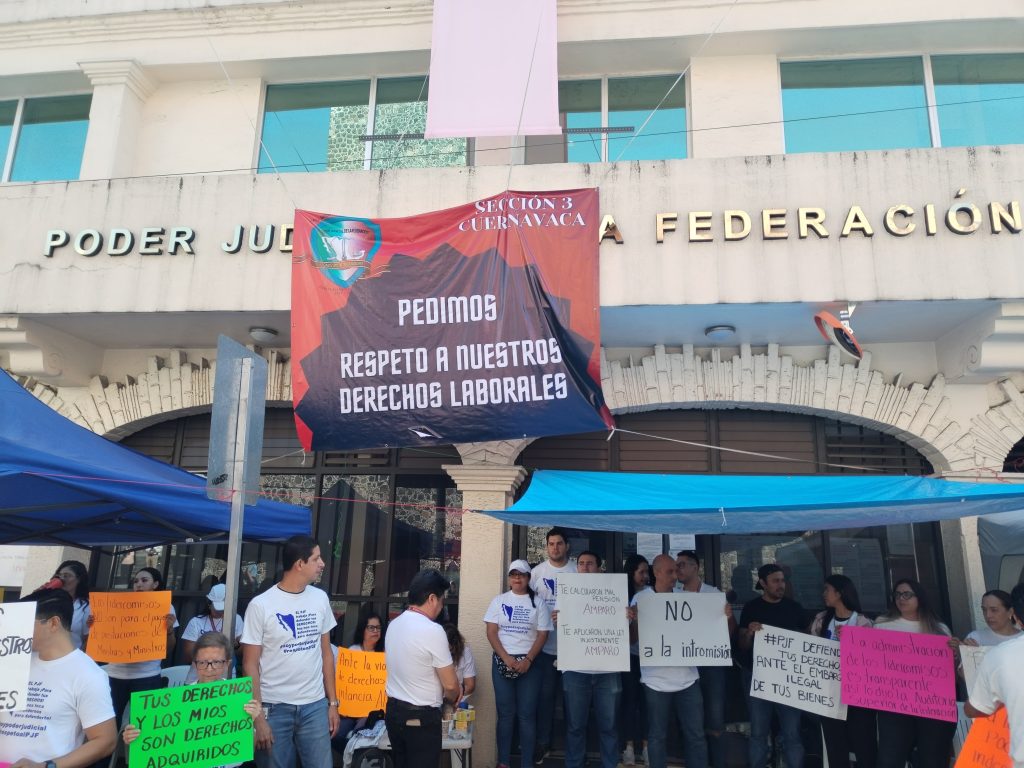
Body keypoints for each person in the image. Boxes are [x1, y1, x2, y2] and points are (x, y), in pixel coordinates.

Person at [241, 534, 340, 768]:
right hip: (274, 708)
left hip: (315, 705)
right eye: (316, 558)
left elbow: (326, 653)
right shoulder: (260, 605)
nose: (322, 564)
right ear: (299, 564)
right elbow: (249, 664)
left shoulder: (320, 598)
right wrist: (259, 717)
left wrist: (333, 704)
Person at [0, 588, 117, 768]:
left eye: (24, 622)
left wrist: (48, 766)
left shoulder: (87, 674)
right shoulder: (13, 659)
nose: (17, 629)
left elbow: (105, 740)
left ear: (54, 623)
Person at [122, 631, 260, 763]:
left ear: (227, 664)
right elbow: (159, 747)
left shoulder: (237, 700)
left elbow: (248, 751)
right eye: (202, 662)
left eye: (217, 662)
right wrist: (134, 737)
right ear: (194, 663)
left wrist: (250, 721)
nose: (209, 669)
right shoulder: (177, 703)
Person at [628, 554, 707, 768]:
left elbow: (702, 633)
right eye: (670, 571)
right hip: (655, 680)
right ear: (656, 573)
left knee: (696, 736)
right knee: (656, 736)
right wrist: (632, 622)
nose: (675, 575)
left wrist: (724, 616)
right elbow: (632, 641)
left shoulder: (687, 598)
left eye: (676, 570)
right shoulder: (641, 599)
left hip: (688, 679)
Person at [874, 579, 956, 768]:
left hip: (931, 707)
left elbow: (947, 673)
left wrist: (955, 653)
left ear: (920, 598)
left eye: (907, 594)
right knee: (889, 758)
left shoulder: (939, 629)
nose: (901, 599)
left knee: (931, 758)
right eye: (897, 595)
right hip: (893, 705)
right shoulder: (882, 625)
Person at [385, 569, 460, 768]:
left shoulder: (394, 624)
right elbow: (451, 685)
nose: (442, 607)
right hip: (421, 720)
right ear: (432, 599)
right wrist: (449, 701)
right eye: (442, 601)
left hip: (393, 713)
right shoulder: (433, 630)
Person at [737, 563, 807, 768]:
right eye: (776, 581)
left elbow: (808, 639)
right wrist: (749, 633)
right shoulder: (752, 608)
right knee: (758, 731)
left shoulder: (794, 608)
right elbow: (742, 645)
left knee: (792, 733)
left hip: (787, 679)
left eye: (783, 580)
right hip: (757, 676)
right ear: (762, 583)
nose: (781, 585)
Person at [486, 559, 553, 768]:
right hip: (502, 661)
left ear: (528, 578)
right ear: (508, 578)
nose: (517, 578)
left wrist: (528, 660)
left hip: (530, 663)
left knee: (527, 714)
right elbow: (491, 631)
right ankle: (503, 762)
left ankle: (527, 763)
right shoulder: (498, 601)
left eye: (522, 574)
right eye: (513, 574)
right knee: (505, 714)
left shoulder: (539, 603)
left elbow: (542, 635)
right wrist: (506, 658)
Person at [561, 551, 621, 768]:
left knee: (609, 726)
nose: (585, 568)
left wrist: (627, 618)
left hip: (607, 670)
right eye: (581, 564)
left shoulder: (614, 592)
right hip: (576, 670)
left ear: (599, 568)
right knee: (575, 726)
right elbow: (563, 629)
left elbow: (622, 629)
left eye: (590, 564)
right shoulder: (566, 593)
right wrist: (559, 619)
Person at [809, 575, 876, 768]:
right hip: (830, 694)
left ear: (839, 593)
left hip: (859, 696)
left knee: (865, 745)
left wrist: (852, 640)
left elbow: (873, 660)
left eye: (827, 590)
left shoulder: (864, 623)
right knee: (835, 746)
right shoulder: (821, 620)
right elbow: (809, 649)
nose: (824, 594)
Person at [675, 550, 734, 768]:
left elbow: (730, 634)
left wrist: (728, 618)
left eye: (682, 564)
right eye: (676, 565)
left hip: (712, 665)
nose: (678, 569)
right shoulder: (673, 594)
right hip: (684, 665)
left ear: (695, 567)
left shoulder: (713, 594)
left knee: (715, 719)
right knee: (690, 721)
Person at [100, 567, 178, 722]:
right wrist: (96, 625)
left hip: (147, 676)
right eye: (135, 581)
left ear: (155, 584)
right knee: (109, 724)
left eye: (144, 580)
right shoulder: (118, 605)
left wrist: (168, 631)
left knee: (142, 727)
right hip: (114, 674)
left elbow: (168, 650)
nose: (139, 585)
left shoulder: (166, 608)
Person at [965, 582, 1024, 768]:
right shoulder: (979, 639)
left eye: (994, 609)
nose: (988, 615)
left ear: (1013, 615)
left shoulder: (1000, 655)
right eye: (984, 610)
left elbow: (974, 708)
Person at [530, 527, 575, 764]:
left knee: (572, 702)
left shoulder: (578, 570)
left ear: (567, 546)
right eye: (551, 544)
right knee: (545, 699)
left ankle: (572, 748)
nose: (555, 548)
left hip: (573, 649)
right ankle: (543, 744)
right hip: (545, 650)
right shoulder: (537, 573)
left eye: (559, 543)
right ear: (546, 546)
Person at [619, 554, 649, 767]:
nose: (645, 576)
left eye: (647, 572)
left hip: (649, 656)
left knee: (647, 703)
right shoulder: (619, 594)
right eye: (641, 572)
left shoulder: (653, 595)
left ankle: (647, 747)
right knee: (629, 702)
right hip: (627, 656)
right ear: (631, 573)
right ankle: (628, 747)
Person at [180, 583, 245, 670]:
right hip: (200, 676)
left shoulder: (236, 619)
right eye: (217, 608)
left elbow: (243, 652)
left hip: (227, 674)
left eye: (223, 608)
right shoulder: (196, 622)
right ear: (209, 604)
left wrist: (236, 645)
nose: (220, 611)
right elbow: (188, 656)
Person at [54, 560, 91, 651]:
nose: (61, 579)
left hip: (70, 657)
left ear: (79, 579)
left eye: (67, 576)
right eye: (59, 575)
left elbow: (87, 639)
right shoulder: (49, 601)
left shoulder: (85, 606)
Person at [444, 623, 476, 700]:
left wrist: (454, 695)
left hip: (456, 700)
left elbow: (470, 686)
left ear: (455, 644)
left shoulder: (465, 651)